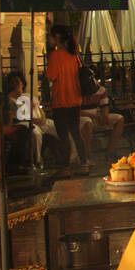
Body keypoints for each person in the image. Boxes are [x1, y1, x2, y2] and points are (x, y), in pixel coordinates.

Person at [46, 24, 89, 176]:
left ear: (57, 37)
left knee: (63, 134)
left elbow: (51, 77)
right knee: (75, 132)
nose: (49, 39)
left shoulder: (56, 56)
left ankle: (65, 167)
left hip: (61, 100)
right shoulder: (75, 55)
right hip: (75, 99)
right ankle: (84, 163)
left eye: (50, 36)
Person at [81, 82, 126, 155]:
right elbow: (75, 111)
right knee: (87, 122)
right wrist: (97, 116)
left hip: (95, 117)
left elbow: (105, 107)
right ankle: (87, 156)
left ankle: (110, 151)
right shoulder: (75, 89)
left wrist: (104, 117)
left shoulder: (101, 90)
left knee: (119, 119)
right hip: (81, 119)